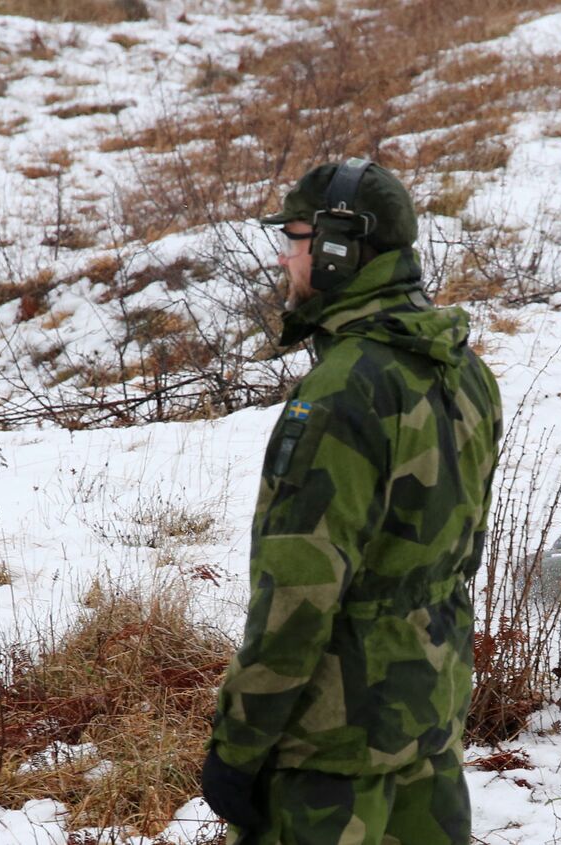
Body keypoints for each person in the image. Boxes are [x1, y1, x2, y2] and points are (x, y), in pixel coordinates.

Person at [201, 158, 503, 845]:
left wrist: (238, 746)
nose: (287, 258)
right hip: (428, 720)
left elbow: (297, 596)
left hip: (332, 755)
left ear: (340, 248)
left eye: (298, 238)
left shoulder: (343, 390)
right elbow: (462, 555)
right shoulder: (467, 371)